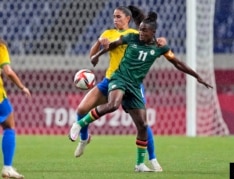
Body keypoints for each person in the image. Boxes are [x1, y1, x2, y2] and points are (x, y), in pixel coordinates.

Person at [69, 12, 213, 172]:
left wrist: (197, 76)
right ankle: (79, 124)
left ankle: (140, 164)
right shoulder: (133, 38)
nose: (141, 33)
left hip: (135, 86)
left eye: (145, 31)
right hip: (119, 78)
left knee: (143, 125)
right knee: (113, 104)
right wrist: (97, 55)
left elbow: (178, 63)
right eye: (141, 29)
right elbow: (114, 44)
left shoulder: (160, 48)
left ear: (153, 33)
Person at [71, 6, 164, 172]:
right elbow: (92, 57)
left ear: (128, 19)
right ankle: (84, 139)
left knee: (143, 124)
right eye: (114, 16)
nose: (115, 19)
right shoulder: (108, 34)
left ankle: (152, 159)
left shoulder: (136, 35)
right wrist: (100, 44)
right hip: (110, 80)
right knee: (81, 109)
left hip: (132, 83)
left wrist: (161, 41)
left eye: (119, 16)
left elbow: (154, 42)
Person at [0, 38, 31, 179]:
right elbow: (9, 72)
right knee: (9, 126)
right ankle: (7, 168)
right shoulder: (1, 47)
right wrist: (22, 87)